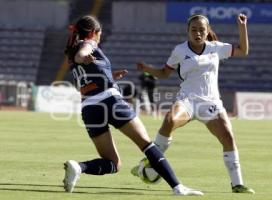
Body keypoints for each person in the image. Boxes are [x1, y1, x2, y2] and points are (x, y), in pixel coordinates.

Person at [63, 15, 203, 196]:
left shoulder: (71, 58)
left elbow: (82, 83)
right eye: (100, 34)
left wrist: (110, 76)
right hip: (110, 101)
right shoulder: (87, 44)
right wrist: (84, 57)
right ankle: (178, 187)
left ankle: (79, 167)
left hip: (90, 108)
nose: (99, 37)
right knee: (147, 145)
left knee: (113, 163)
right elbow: (83, 53)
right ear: (94, 32)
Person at [131, 13, 255, 194]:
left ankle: (237, 184)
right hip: (188, 100)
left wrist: (242, 27)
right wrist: (147, 69)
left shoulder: (216, 48)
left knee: (227, 136)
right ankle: (150, 160)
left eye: (201, 30)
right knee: (169, 120)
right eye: (194, 30)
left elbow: (243, 51)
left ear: (207, 32)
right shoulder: (180, 51)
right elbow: (165, 73)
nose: (197, 33)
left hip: (211, 103)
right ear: (187, 31)